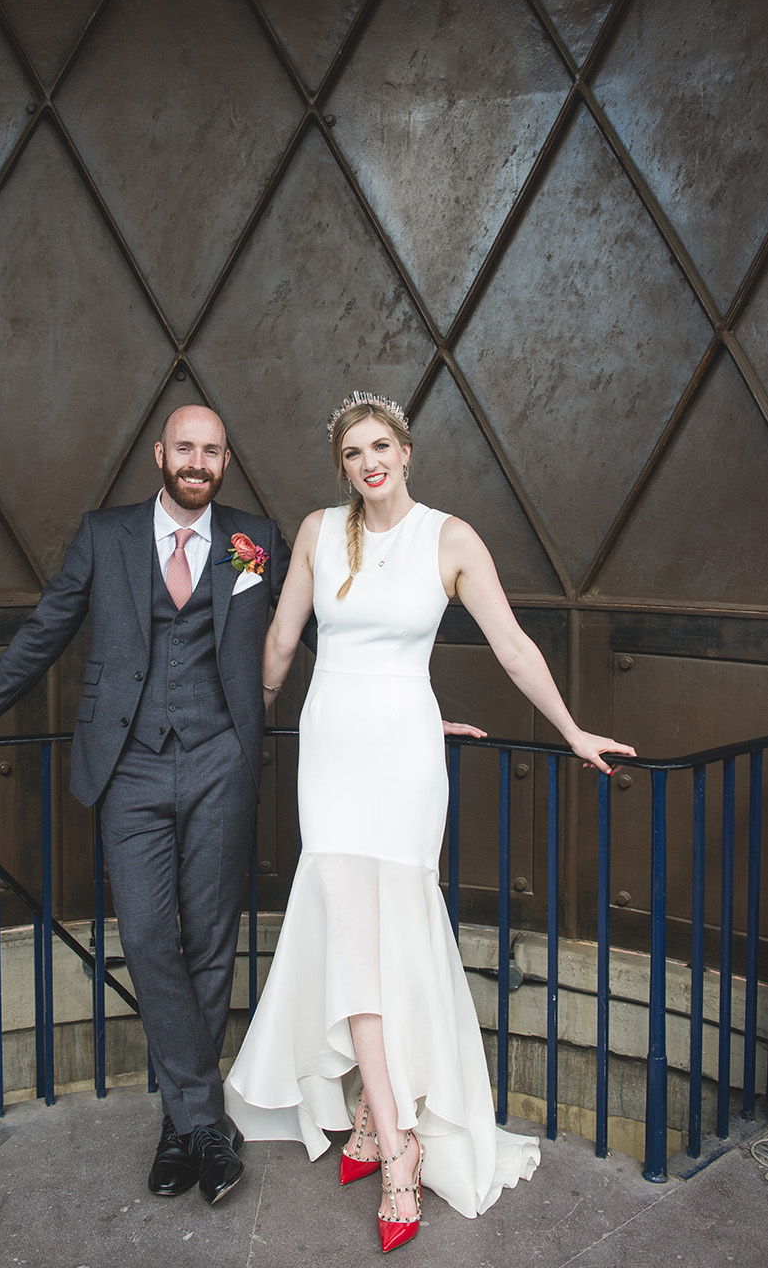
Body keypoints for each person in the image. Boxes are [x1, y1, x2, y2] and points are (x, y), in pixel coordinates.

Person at [223, 391, 635, 1253]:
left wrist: (571, 730)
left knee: (389, 935)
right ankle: (385, 1122)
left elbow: (514, 645)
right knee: (348, 933)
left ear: (405, 452)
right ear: (341, 467)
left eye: (380, 446)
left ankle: (397, 1141)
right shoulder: (312, 532)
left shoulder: (449, 539)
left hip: (403, 761)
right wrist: (248, 720)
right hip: (331, 754)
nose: (368, 462)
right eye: (351, 453)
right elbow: (282, 643)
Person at [0, 405, 305, 1208]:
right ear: (160, 454)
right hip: (130, 767)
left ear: (225, 460)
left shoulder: (253, 536)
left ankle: (179, 1124)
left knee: (213, 940)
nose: (197, 461)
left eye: (212, 451)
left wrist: (407, 702)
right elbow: (42, 634)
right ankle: (204, 1123)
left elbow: (316, 628)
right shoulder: (104, 534)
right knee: (149, 936)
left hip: (222, 758)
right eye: (184, 447)